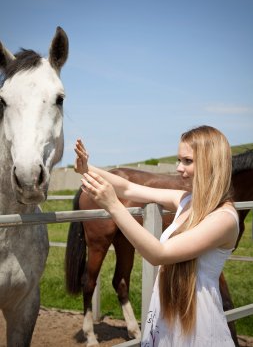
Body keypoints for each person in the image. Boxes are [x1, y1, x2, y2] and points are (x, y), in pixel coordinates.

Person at [74, 125, 239, 347]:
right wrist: (87, 168)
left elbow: (159, 254)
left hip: (197, 322)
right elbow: (128, 188)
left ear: (211, 162)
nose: (179, 168)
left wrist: (113, 206)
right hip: (167, 312)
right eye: (179, 160)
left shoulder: (224, 218)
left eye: (187, 161)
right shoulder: (186, 200)